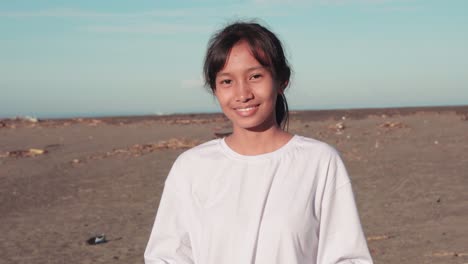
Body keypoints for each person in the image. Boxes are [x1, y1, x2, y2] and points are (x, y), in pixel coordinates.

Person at [144, 21, 373, 264]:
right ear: (215, 89)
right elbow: (167, 256)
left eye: (255, 76)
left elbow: (347, 257)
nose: (243, 94)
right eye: (227, 81)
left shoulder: (318, 161)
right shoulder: (191, 167)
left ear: (281, 80)